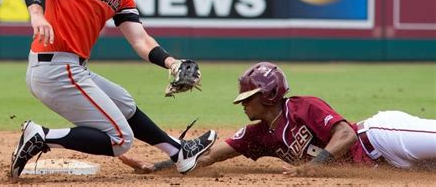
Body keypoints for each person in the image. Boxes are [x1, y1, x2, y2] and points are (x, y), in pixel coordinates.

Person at [9, 0, 217, 179]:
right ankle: (42, 136)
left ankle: (179, 152)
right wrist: (37, 13)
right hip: (56, 68)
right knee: (120, 140)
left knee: (124, 103)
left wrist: (171, 62)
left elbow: (140, 40)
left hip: (70, 68)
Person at [125, 62, 436, 175]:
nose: (242, 104)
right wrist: (160, 167)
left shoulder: (304, 107)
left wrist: (313, 169)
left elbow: (347, 135)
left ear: (269, 95)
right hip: (388, 166)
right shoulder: (257, 135)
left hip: (380, 138)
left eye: (248, 98)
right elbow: (206, 158)